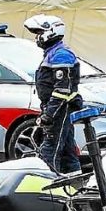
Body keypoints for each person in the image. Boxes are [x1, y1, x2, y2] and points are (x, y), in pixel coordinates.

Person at [24, 14, 83, 174]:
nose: (37, 37)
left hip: (60, 109)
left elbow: (62, 90)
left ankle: (44, 183)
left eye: (39, 33)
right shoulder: (53, 53)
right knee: (67, 151)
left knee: (50, 149)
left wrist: (49, 114)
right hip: (57, 108)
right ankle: (76, 182)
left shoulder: (61, 54)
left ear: (50, 32)